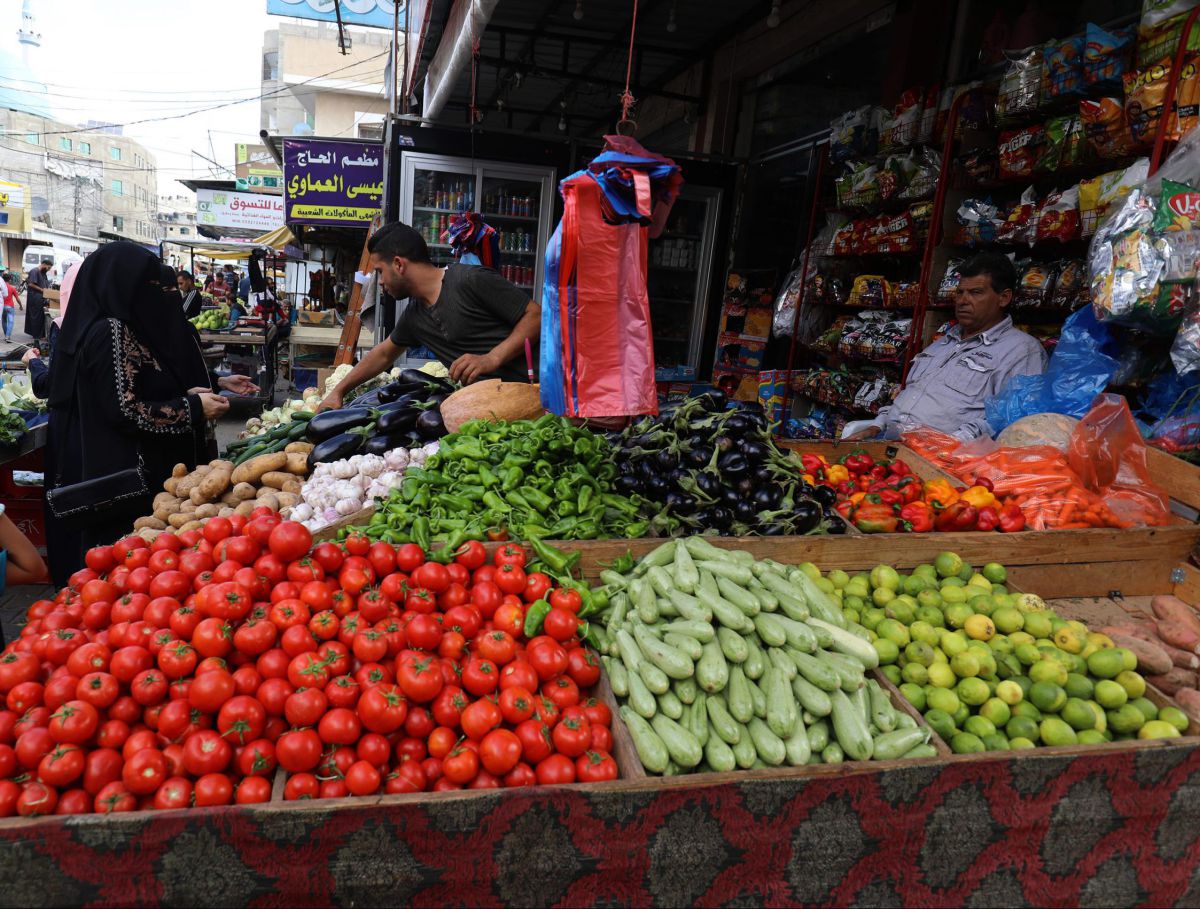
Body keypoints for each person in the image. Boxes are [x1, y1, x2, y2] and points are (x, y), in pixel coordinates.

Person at [41, 242, 232, 587]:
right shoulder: (110, 331)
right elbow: (126, 410)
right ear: (121, 284)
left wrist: (185, 395)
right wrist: (191, 408)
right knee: (122, 578)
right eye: (150, 285)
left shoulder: (119, 326)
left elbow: (131, 391)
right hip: (124, 486)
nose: (161, 294)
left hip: (132, 483)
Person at [318, 222, 540, 410]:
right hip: (494, 409)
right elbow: (383, 354)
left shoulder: (469, 280)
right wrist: (338, 391)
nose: (381, 282)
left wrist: (492, 358)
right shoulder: (415, 316)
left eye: (380, 272)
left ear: (398, 264)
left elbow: (535, 316)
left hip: (537, 399)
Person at [842, 252, 1047, 441]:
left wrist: (950, 444)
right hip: (889, 441)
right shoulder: (943, 343)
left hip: (945, 460)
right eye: (960, 292)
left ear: (1004, 298)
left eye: (976, 292)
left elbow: (1014, 419)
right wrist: (876, 426)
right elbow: (909, 396)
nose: (963, 301)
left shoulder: (1022, 351)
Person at [24, 258, 51, 341]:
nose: (48, 269)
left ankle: (38, 334)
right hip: (35, 298)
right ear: (44, 264)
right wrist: (42, 290)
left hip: (40, 298)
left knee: (40, 316)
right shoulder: (35, 271)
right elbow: (31, 284)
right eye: (48, 267)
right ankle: (36, 335)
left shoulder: (43, 273)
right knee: (36, 316)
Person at [1, 272, 22, 343]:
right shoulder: (12, 288)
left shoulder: (1, 287)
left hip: (2, 306)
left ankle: (6, 335)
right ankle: (7, 336)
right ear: (10, 280)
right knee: (10, 321)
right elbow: (17, 299)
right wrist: (21, 306)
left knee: (4, 321)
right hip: (10, 307)